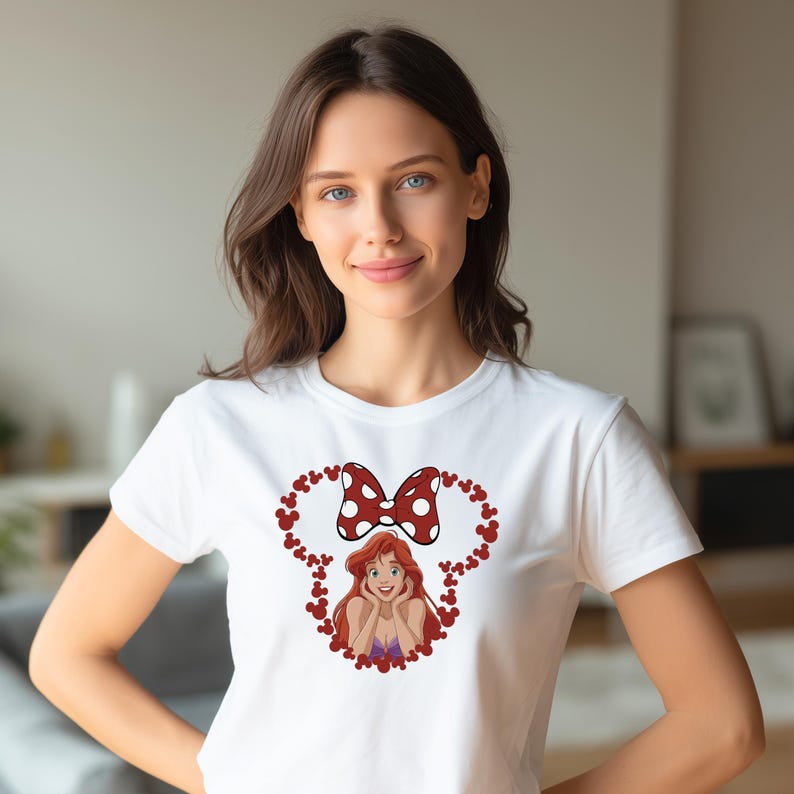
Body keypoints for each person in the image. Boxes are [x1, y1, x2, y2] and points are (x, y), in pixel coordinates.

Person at [29, 22, 764, 794]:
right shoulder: (219, 426)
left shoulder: (578, 439)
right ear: (301, 214)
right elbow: (66, 654)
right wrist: (228, 781)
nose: (378, 227)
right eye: (338, 192)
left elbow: (721, 725)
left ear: (476, 186)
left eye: (414, 180)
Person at [332, 528, 443, 663]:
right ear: (366, 578)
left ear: (405, 575)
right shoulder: (357, 605)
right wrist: (376, 608)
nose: (383, 580)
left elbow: (413, 654)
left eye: (394, 571)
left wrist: (396, 609)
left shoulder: (415, 606)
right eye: (374, 573)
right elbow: (357, 655)